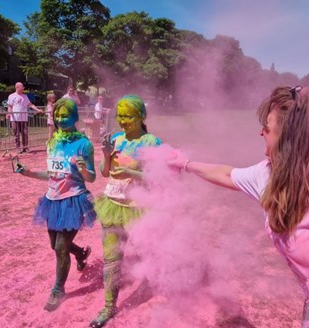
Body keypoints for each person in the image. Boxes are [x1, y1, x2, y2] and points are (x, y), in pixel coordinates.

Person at [169, 86, 309, 328]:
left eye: (266, 128)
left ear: (289, 137)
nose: (260, 133)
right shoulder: (269, 174)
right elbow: (226, 174)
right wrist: (185, 164)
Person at [89, 95, 162, 328]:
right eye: (119, 116)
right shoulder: (116, 139)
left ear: (141, 116)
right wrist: (106, 153)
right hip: (112, 206)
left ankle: (159, 281)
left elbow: (160, 179)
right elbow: (104, 172)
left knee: (147, 252)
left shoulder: (153, 143)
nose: (121, 121)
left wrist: (133, 174)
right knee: (111, 259)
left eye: (127, 116)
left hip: (138, 209)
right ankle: (109, 306)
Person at [17, 98, 96, 312]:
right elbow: (52, 175)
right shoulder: (52, 142)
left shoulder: (84, 144)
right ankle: (80, 253)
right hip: (52, 200)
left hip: (74, 200)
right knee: (55, 245)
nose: (61, 119)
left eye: (65, 115)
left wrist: (82, 169)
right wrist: (29, 173)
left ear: (75, 117)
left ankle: (58, 289)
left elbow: (92, 178)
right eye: (58, 115)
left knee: (60, 248)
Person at [6, 82, 42, 153]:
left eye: (23, 87)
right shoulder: (11, 96)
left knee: (25, 133)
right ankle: (17, 148)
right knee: (16, 134)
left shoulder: (25, 96)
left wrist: (38, 109)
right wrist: (9, 114)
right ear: (17, 87)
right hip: (15, 118)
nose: (23, 89)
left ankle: (25, 147)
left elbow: (30, 104)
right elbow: (10, 106)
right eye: (22, 87)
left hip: (24, 118)